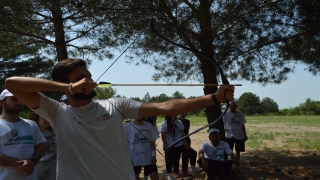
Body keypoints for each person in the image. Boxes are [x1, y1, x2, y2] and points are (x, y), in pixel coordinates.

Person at [5, 58, 234, 180]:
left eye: (90, 76)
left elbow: (166, 105)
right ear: (68, 83)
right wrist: (67, 87)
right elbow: (11, 84)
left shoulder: (116, 104)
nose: (91, 81)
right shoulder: (56, 110)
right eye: (82, 78)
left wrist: (213, 97)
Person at [0, 89, 46, 180]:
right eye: (14, 99)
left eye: (20, 99)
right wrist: (18, 164)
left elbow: (41, 146)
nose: (19, 102)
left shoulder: (31, 124)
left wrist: (33, 161)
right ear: (2, 102)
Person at [160, 115, 191, 180]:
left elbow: (183, 133)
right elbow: (163, 135)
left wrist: (185, 142)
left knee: (190, 154)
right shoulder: (165, 123)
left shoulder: (179, 122)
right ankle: (170, 174)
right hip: (170, 145)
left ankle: (187, 169)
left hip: (180, 144)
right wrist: (165, 144)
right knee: (169, 160)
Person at [29, 112, 57, 180]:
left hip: (51, 163)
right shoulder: (32, 132)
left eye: (48, 118)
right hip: (38, 164)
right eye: (44, 118)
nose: (47, 121)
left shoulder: (53, 131)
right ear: (37, 119)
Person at [223, 100, 248, 164]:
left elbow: (242, 125)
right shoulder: (226, 114)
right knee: (229, 150)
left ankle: (237, 163)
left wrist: (245, 135)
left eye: (234, 106)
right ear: (229, 107)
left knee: (238, 150)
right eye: (231, 106)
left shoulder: (240, 114)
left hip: (239, 135)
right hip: (229, 135)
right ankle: (229, 163)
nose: (233, 107)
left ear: (236, 106)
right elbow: (222, 123)